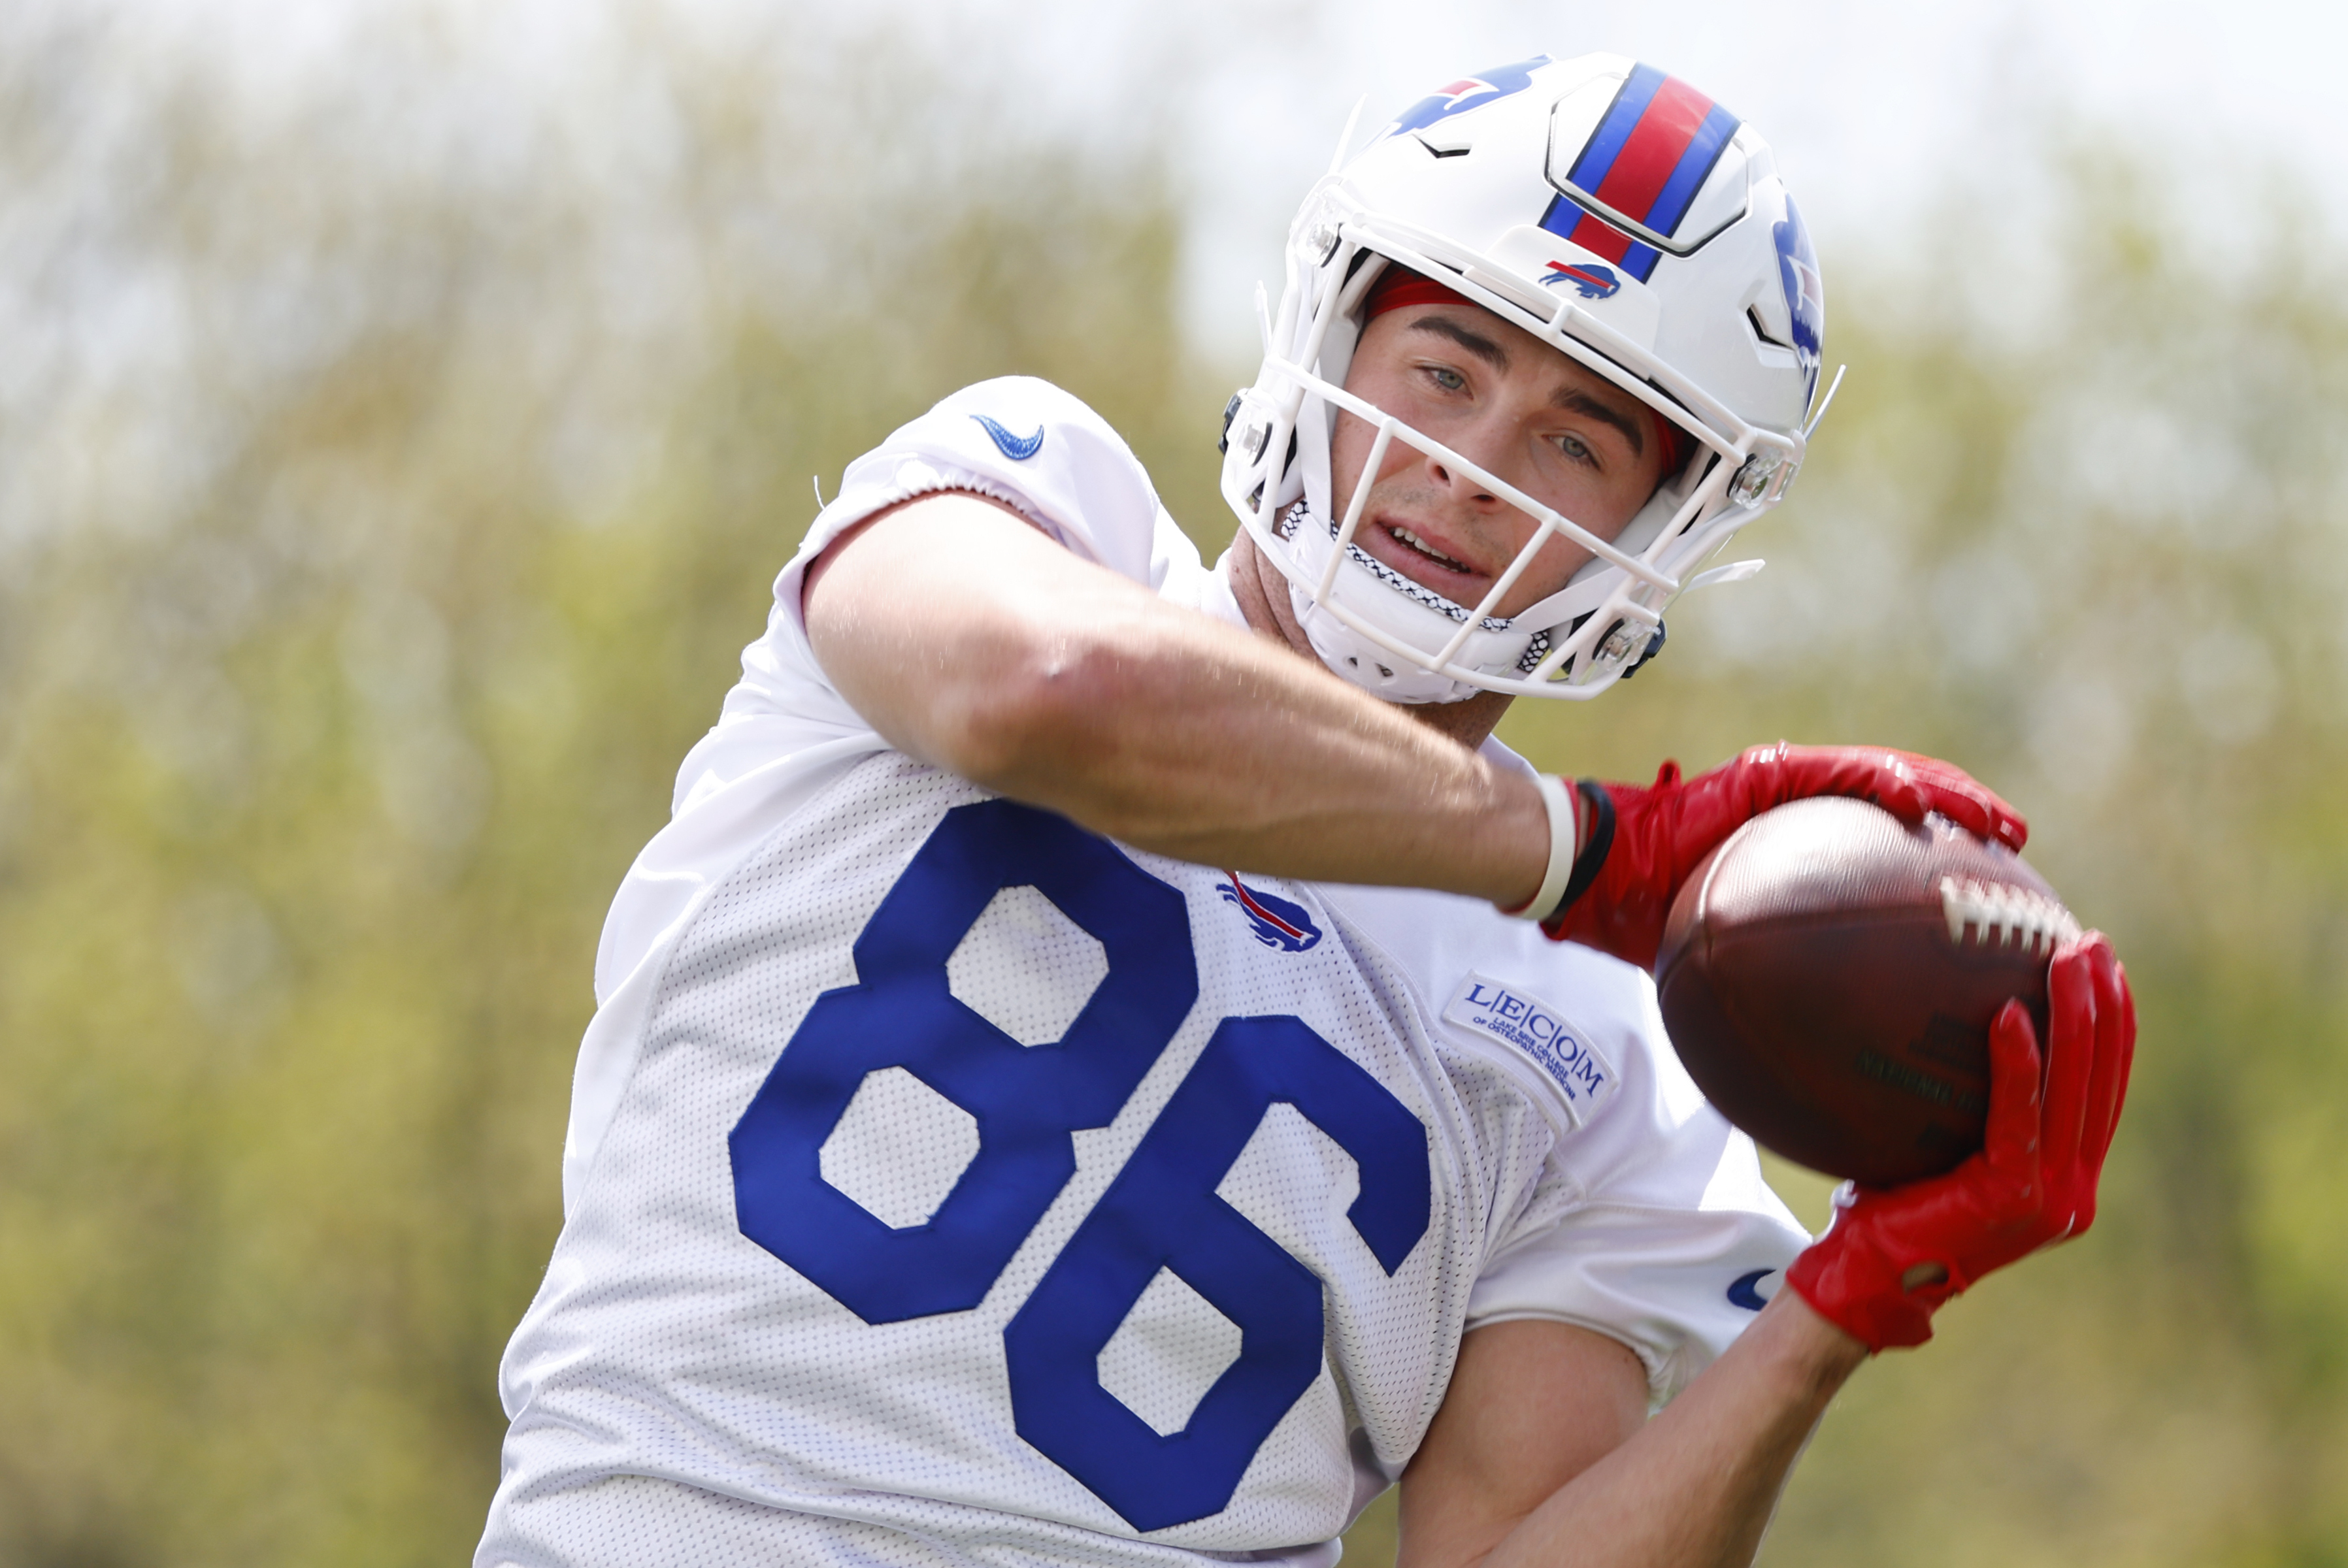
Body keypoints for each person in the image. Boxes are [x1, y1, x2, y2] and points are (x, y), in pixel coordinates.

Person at [477, 52, 2132, 1568]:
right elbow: (1050, 693)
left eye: (1576, 440)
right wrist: (1583, 853)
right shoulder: (1038, 502)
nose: (1472, 466)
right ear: (1331, 330)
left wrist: (1837, 1310)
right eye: (1447, 364)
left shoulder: (1614, 1055)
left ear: (1666, 526)